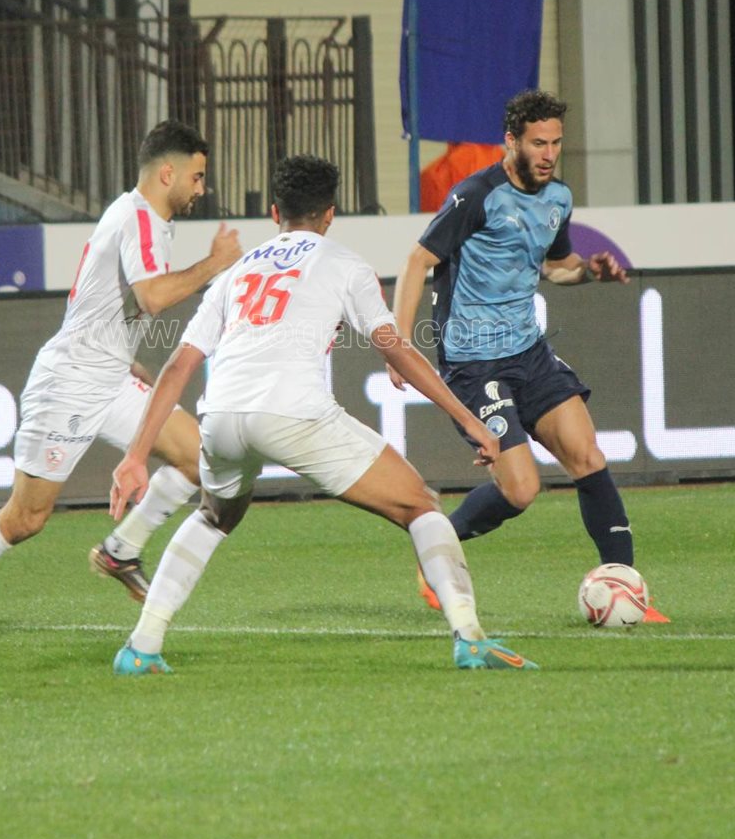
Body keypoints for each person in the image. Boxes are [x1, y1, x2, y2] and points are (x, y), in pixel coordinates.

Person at [108, 154, 536, 674]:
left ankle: (142, 647)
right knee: (421, 505)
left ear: (275, 213)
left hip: (220, 415)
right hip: (293, 413)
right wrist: (469, 420)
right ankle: (470, 637)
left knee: (215, 514)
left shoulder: (237, 272)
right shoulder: (343, 263)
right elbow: (394, 347)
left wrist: (136, 455)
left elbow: (178, 364)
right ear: (330, 214)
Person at [0, 121, 243, 647]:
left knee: (199, 457)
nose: (202, 188)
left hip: (108, 376)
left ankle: (121, 550)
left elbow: (104, 300)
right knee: (26, 518)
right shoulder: (139, 218)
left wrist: (125, 357)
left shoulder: (145, 219)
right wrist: (216, 264)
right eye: (196, 177)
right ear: (167, 173)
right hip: (69, 383)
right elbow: (153, 297)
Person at [390, 89, 667, 622]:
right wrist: (398, 344)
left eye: (556, 143)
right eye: (538, 143)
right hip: (473, 362)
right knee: (520, 490)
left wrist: (588, 271)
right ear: (511, 141)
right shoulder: (476, 195)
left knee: (588, 456)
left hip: (529, 352)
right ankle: (436, 551)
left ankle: (626, 588)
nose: (549, 154)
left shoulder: (558, 198)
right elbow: (417, 260)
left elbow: (556, 266)